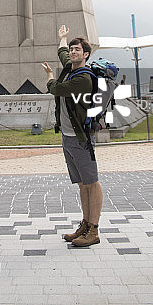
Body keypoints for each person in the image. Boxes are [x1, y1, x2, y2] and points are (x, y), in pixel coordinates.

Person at [42, 24, 103, 248]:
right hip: (68, 137)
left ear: (86, 54)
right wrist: (62, 38)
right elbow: (62, 53)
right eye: (73, 49)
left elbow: (57, 89)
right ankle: (85, 224)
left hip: (81, 138)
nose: (74, 52)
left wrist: (50, 76)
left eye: (78, 49)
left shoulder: (83, 78)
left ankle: (94, 229)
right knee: (82, 184)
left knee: (92, 182)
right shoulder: (70, 67)